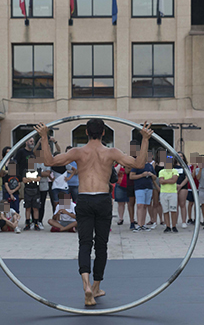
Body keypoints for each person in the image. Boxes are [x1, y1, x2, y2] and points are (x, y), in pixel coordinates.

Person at [35, 119, 152, 306]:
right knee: (101, 245)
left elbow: (49, 161)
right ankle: (96, 287)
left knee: (84, 243)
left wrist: (43, 137)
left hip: (84, 199)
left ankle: (86, 285)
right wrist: (145, 139)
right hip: (103, 200)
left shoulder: (78, 152)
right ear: (104, 133)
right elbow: (139, 164)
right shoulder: (111, 152)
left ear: (86, 133)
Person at [130, 149, 155, 232]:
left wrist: (151, 175)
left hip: (149, 187)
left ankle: (143, 224)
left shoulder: (150, 166)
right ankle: (139, 224)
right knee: (140, 205)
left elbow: (155, 177)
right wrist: (142, 175)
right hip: (139, 187)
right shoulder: (136, 165)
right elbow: (131, 176)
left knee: (145, 206)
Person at [158, 150, 179, 233]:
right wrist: (169, 180)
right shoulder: (161, 171)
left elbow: (174, 180)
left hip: (172, 192)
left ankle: (174, 225)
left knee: (173, 210)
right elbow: (160, 181)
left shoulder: (175, 171)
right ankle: (167, 225)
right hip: (164, 192)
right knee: (165, 210)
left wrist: (165, 180)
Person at [174, 153, 189, 228]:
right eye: (178, 156)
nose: (180, 157)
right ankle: (175, 221)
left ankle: (184, 221)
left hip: (183, 187)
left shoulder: (185, 167)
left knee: (182, 204)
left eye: (181, 156)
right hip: (174, 187)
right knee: (175, 205)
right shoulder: (172, 166)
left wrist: (180, 186)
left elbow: (187, 178)